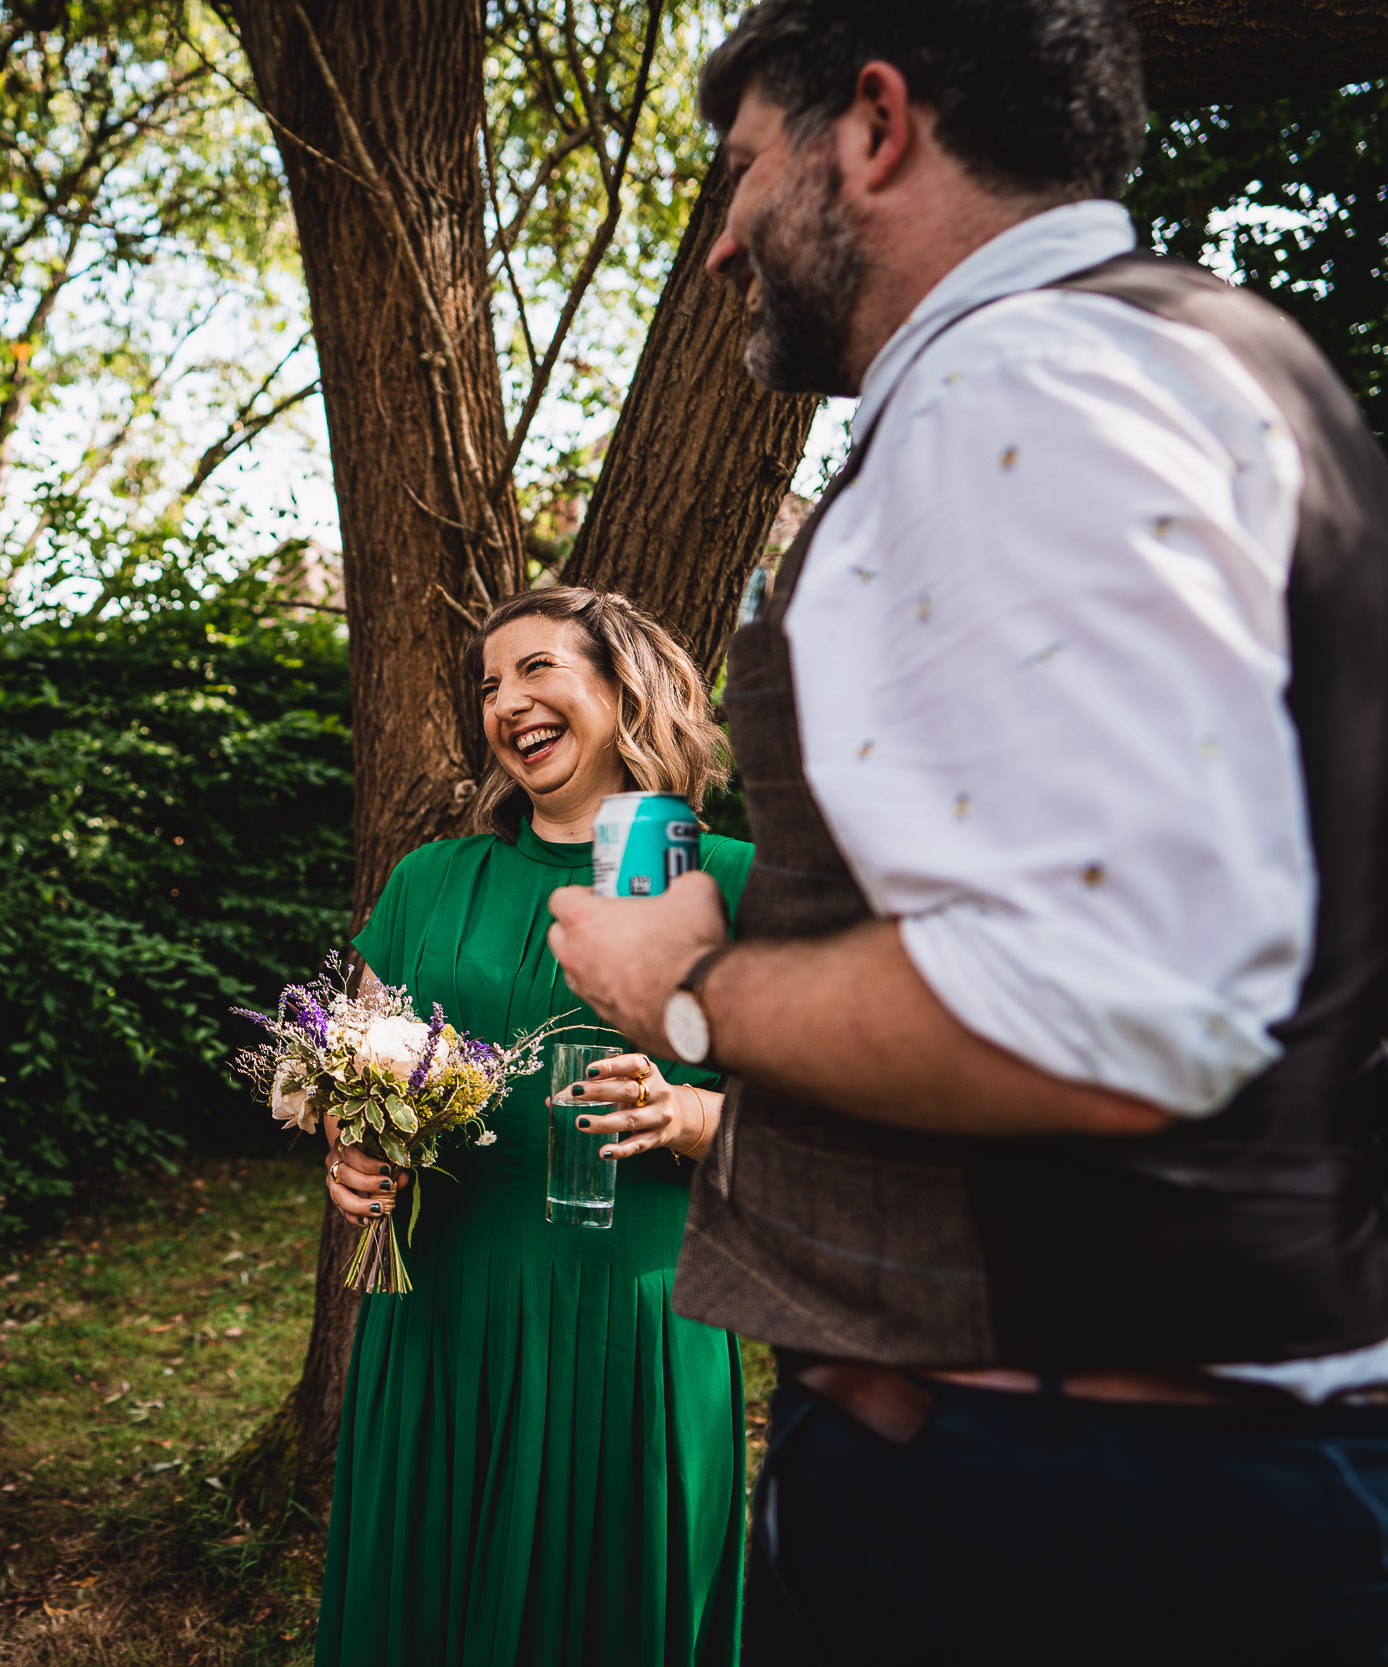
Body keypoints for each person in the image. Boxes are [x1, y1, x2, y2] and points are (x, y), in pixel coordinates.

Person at [544, 4, 1388, 1662]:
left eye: (737, 175)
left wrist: (687, 986)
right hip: (1157, 1477)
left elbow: (1109, 1001)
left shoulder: (1027, 384)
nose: (718, 246)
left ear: (871, 128)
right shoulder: (1212, 366)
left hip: (1073, 1519)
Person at [317, 586, 754, 1667]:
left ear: (621, 689)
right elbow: (353, 1066)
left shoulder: (735, 880)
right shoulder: (429, 880)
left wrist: (691, 1110)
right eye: (487, 684)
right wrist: (348, 1146)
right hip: (447, 1306)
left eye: (536, 668)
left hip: (633, 1310)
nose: (505, 700)